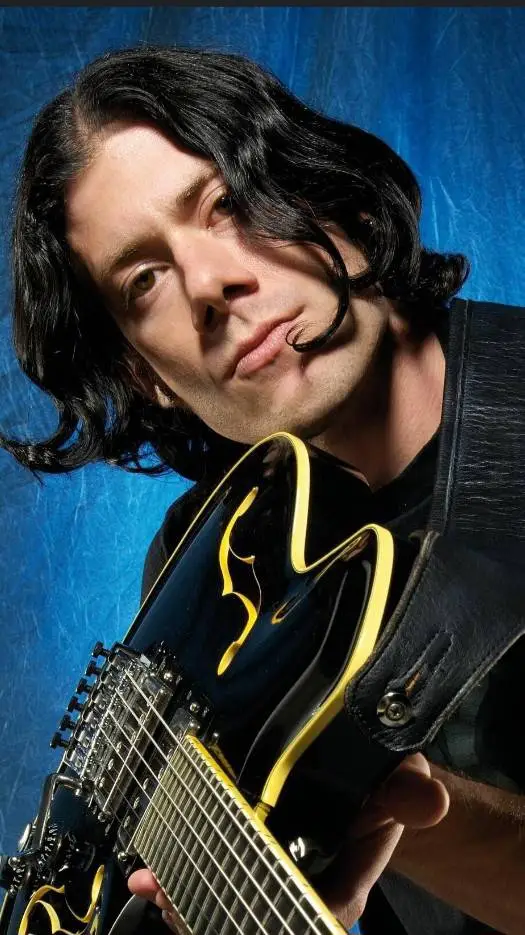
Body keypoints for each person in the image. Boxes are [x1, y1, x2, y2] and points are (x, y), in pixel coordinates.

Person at [2, 44, 525, 935]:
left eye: (228, 204)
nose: (210, 285)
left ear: (341, 199)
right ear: (146, 376)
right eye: (144, 281)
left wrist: (382, 800)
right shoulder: (213, 562)